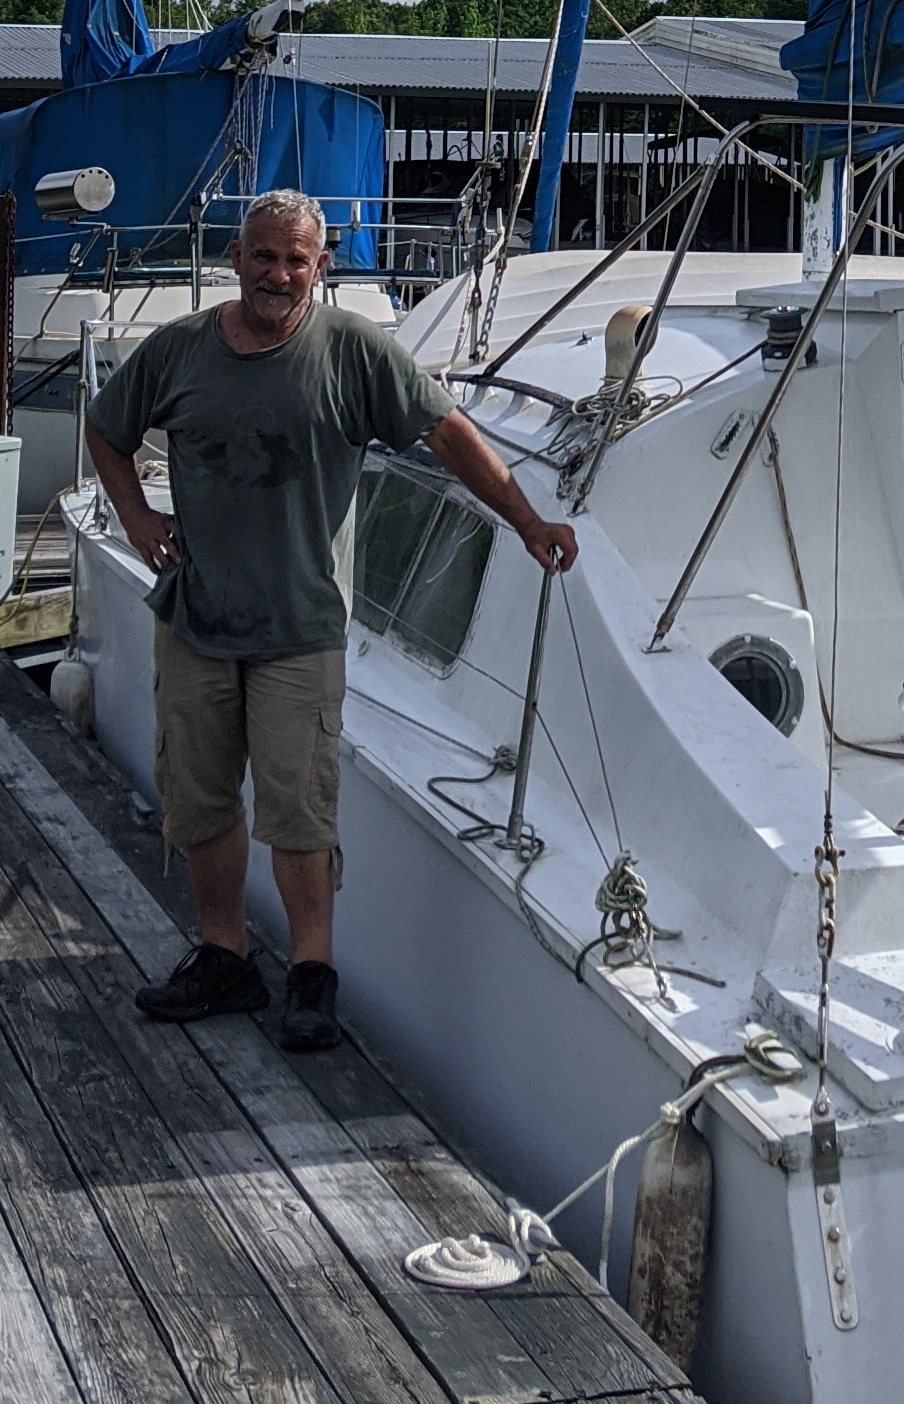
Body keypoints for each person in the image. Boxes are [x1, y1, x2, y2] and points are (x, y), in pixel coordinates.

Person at [87, 189, 576, 1051]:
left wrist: (528, 520)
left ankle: (312, 975)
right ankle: (224, 955)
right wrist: (134, 515)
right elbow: (106, 428)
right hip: (197, 618)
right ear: (235, 260)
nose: (278, 274)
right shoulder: (178, 350)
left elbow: (448, 433)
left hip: (301, 630)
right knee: (200, 800)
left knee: (300, 812)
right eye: (264, 256)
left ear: (321, 267)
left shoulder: (354, 350)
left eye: (295, 260)